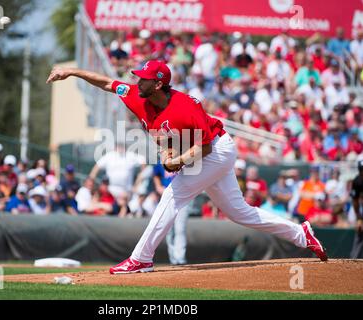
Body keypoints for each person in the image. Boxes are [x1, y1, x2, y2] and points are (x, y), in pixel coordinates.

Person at [47, 59, 328, 275]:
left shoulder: (185, 106)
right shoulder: (137, 95)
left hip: (217, 150)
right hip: (201, 152)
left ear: (158, 84)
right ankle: (300, 234)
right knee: (240, 213)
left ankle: (140, 259)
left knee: (173, 194)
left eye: (142, 79)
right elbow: (108, 83)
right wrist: (72, 73)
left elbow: (204, 146)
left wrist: (177, 161)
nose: (136, 81)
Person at [350, 160, 363, 258]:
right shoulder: (357, 181)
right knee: (360, 232)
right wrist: (359, 218)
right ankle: (353, 263)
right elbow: (355, 201)